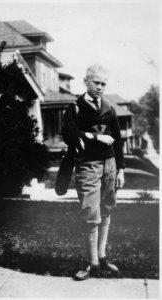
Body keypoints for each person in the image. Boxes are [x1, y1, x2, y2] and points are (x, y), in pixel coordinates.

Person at [62, 64, 125, 280]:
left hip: (110, 164)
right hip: (88, 165)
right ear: (86, 82)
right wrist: (94, 137)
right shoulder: (76, 107)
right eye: (96, 83)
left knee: (106, 209)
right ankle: (92, 264)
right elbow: (69, 134)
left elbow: (117, 140)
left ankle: (102, 256)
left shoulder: (109, 107)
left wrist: (121, 169)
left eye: (103, 84)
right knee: (91, 213)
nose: (100, 87)